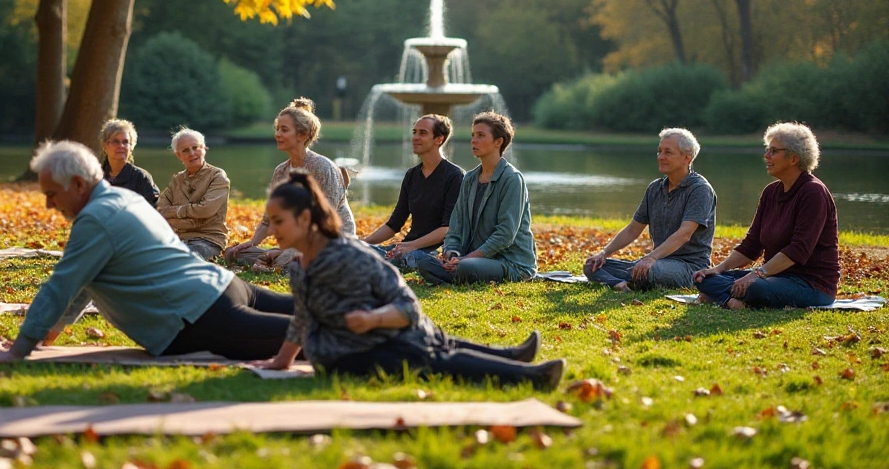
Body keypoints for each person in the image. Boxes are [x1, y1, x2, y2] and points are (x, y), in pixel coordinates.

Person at [0, 141, 294, 364]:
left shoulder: (95, 219)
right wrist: (48, 333)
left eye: (51, 194)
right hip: (223, 286)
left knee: (315, 334)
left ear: (76, 184)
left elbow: (61, 286)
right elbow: (84, 285)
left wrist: (19, 349)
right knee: (313, 309)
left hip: (197, 317)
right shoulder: (124, 200)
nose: (49, 205)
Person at [251, 171, 566, 389]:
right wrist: (282, 360)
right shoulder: (298, 267)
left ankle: (512, 357)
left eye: (278, 222)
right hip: (348, 356)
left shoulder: (350, 256)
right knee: (427, 355)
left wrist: (373, 318)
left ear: (305, 219)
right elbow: (302, 319)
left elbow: (408, 308)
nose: (272, 230)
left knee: (429, 339)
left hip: (359, 346)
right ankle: (530, 377)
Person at [694, 122, 839, 309]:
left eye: (773, 151)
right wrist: (718, 269)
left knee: (756, 289)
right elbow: (752, 244)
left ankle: (729, 298)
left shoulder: (813, 192)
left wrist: (756, 274)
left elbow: (799, 249)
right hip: (773, 276)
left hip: (811, 285)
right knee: (702, 278)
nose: (766, 156)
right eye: (767, 150)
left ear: (793, 158)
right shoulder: (770, 192)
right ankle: (731, 300)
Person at [224, 98, 357, 270]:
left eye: (284, 130)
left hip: (331, 242)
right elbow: (268, 220)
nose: (278, 134)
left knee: (291, 259)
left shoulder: (323, 167)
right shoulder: (281, 171)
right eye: (277, 129)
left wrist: (284, 252)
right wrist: (252, 243)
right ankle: (274, 261)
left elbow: (323, 222)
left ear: (302, 135)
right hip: (297, 243)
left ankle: (276, 263)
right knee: (233, 254)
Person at [584, 128, 717, 290]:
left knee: (648, 271)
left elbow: (684, 234)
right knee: (592, 265)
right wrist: (604, 253)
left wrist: (650, 258)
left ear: (686, 158)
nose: (661, 157)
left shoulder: (700, 189)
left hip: (688, 266)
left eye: (668, 152)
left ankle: (630, 279)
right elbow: (632, 230)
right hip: (658, 261)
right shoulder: (655, 188)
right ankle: (619, 284)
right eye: (659, 151)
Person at [417, 112, 537, 285]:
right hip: (471, 258)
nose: (474, 140)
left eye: (481, 135)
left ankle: (455, 275)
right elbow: (456, 226)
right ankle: (455, 274)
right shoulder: (470, 178)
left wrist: (466, 259)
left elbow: (505, 234)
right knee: (424, 262)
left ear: (498, 141)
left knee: (466, 267)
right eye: (473, 135)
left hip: (511, 263)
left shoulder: (512, 179)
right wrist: (452, 254)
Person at [362, 115, 463, 275]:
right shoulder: (412, 175)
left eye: (422, 133)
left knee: (387, 260)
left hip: (432, 253)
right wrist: (362, 243)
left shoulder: (454, 176)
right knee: (360, 252)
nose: (415, 137)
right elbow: (394, 224)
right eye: (414, 132)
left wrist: (413, 245)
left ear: (439, 139)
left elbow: (448, 228)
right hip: (407, 248)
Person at [155, 127, 230, 261]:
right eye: (185, 150)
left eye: (195, 147)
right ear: (179, 155)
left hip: (207, 240)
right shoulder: (177, 180)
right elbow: (161, 211)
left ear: (204, 149)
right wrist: (192, 216)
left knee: (181, 258)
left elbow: (206, 210)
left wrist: (176, 212)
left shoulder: (218, 177)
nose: (192, 153)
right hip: (177, 238)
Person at [99, 118, 160, 206]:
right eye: (115, 141)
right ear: (105, 146)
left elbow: (152, 211)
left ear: (131, 147)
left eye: (125, 142)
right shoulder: (97, 177)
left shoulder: (141, 178)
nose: (121, 146)